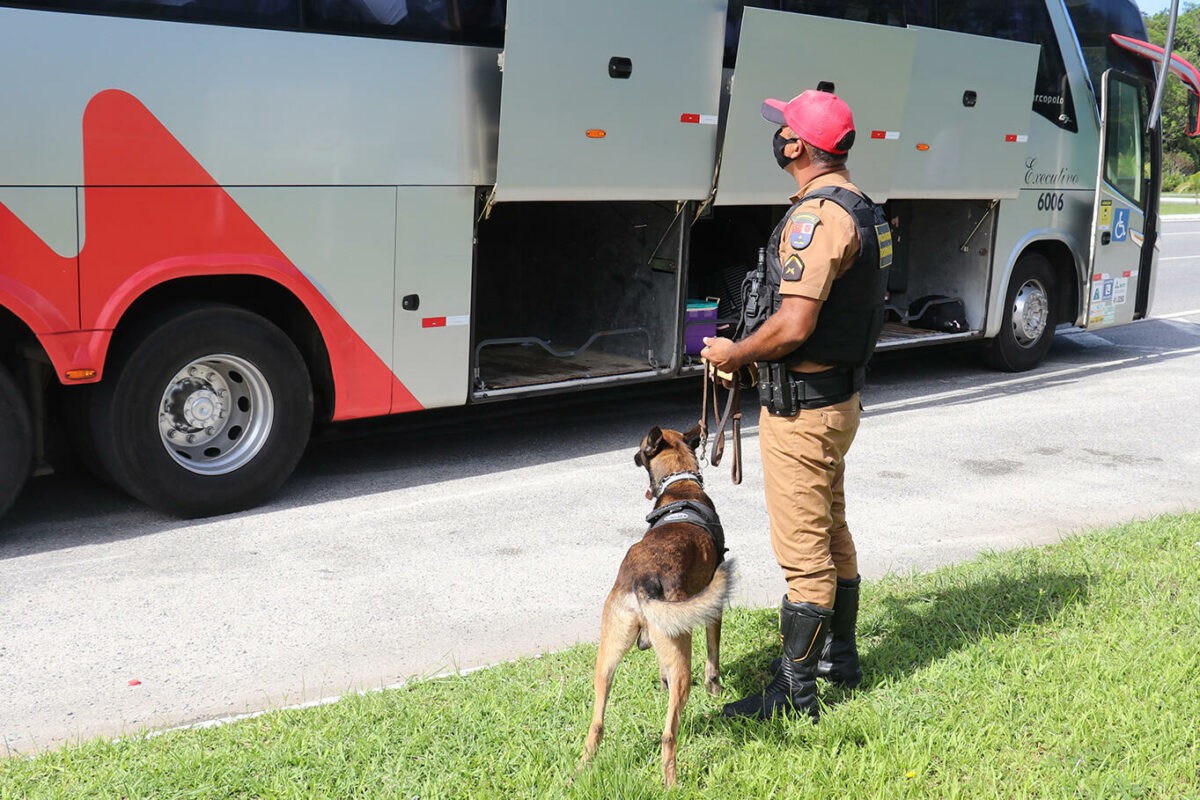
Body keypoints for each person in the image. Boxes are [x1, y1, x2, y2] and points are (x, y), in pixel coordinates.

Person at [700, 89, 892, 721]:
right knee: (832, 529)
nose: (778, 136)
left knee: (804, 552)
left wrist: (737, 354)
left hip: (802, 416)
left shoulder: (818, 219)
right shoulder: (862, 208)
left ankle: (794, 695)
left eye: (784, 128)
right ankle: (840, 659)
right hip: (836, 403)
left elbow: (794, 323)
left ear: (799, 147)